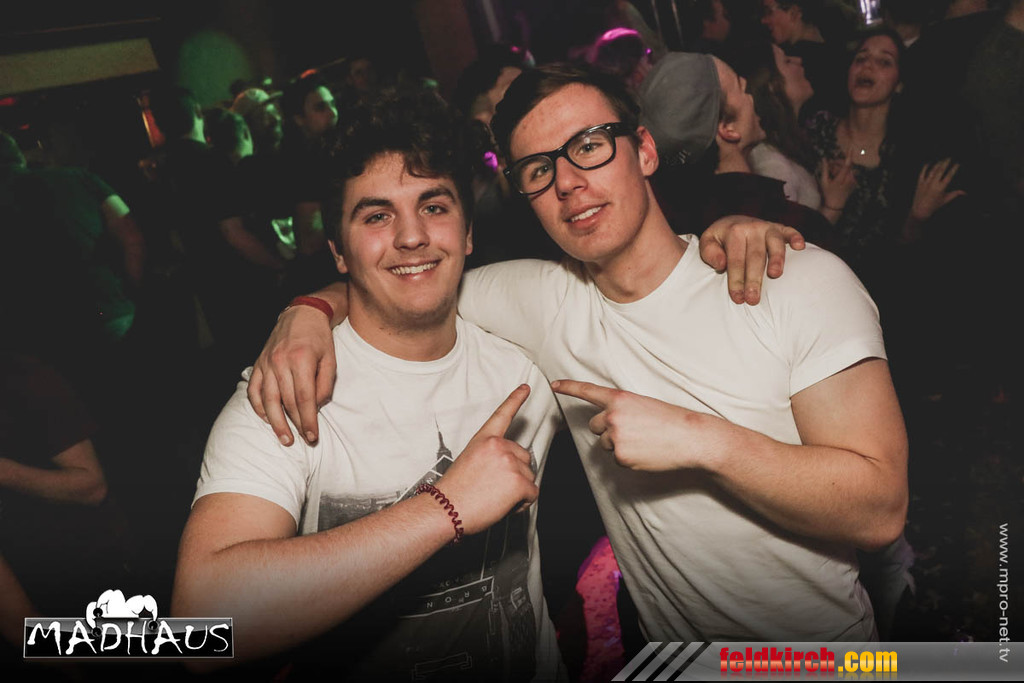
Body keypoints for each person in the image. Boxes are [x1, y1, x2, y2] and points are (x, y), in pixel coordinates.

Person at [246, 63, 908, 643]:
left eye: (589, 145)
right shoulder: (542, 299)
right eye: (539, 169)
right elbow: (407, 277)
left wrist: (701, 439)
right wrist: (306, 311)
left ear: (643, 149)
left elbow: (879, 508)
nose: (567, 181)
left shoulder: (792, 280)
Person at [171, 85, 567, 680]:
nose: (411, 236)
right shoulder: (290, 388)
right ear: (338, 251)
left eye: (434, 207)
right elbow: (202, 625)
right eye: (377, 216)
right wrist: (446, 507)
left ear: (467, 232)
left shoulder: (527, 356)